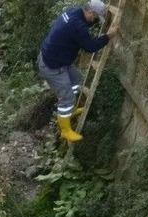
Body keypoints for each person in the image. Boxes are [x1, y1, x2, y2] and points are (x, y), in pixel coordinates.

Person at [37, 0, 118, 143]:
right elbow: (91, 47)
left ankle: (71, 110)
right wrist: (108, 36)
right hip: (52, 67)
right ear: (90, 12)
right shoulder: (77, 26)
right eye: (95, 17)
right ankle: (65, 130)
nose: (94, 21)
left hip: (57, 59)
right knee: (66, 98)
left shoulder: (73, 12)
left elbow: (78, 31)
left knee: (76, 80)